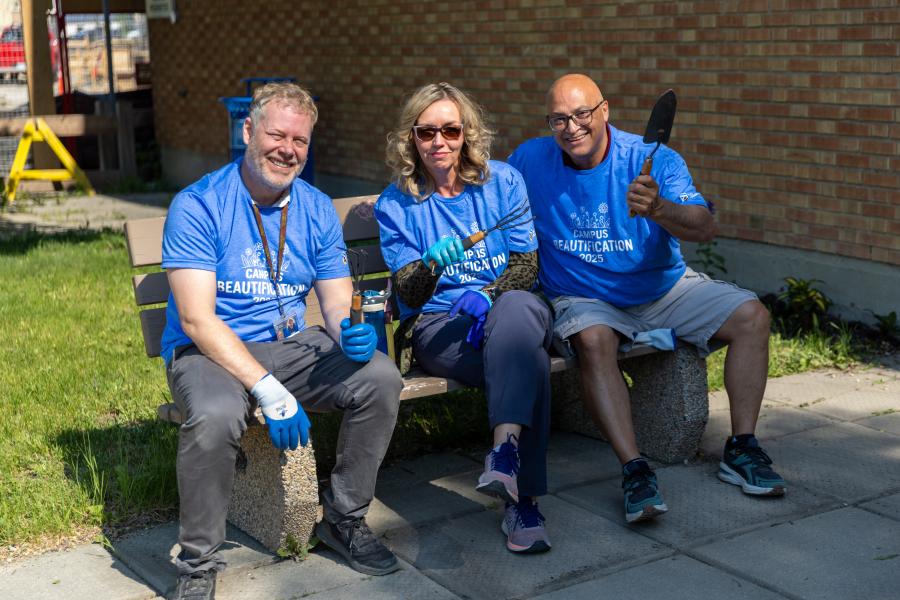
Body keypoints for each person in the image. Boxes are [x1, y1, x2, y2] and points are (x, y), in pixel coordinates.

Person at [508, 73, 786, 525]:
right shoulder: (530, 160)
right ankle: (635, 469)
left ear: (604, 111)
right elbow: (490, 197)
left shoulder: (652, 158)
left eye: (581, 114)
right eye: (558, 119)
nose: (571, 128)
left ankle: (742, 448)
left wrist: (660, 208)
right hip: (583, 296)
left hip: (662, 288)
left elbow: (704, 226)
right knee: (594, 340)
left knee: (752, 317)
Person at [161, 82, 402, 600]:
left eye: (300, 140)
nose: (287, 149)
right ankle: (198, 563)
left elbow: (335, 301)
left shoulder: (315, 207)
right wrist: (267, 389)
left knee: (381, 377)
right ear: (248, 131)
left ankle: (343, 518)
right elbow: (197, 320)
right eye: (276, 135)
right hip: (210, 351)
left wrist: (348, 333)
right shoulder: (199, 204)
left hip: (292, 344)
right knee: (216, 414)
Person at [375, 82, 553, 554]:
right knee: (530, 360)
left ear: (467, 133)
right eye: (426, 131)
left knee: (517, 311)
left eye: (450, 130)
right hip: (441, 325)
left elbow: (526, 265)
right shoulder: (397, 203)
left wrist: (489, 296)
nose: (439, 141)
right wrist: (431, 265)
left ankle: (505, 458)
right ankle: (523, 500)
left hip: (510, 310)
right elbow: (408, 293)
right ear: (411, 138)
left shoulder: (503, 183)